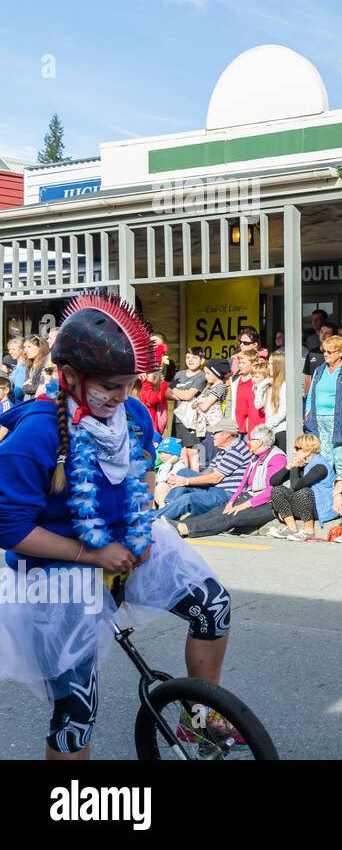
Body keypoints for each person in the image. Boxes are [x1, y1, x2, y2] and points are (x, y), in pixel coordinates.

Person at [0, 293, 235, 759]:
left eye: (126, 385)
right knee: (75, 715)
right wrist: (93, 555)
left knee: (214, 606)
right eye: (108, 386)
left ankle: (199, 718)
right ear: (68, 376)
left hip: (126, 546)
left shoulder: (133, 415)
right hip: (55, 572)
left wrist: (142, 526)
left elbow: (145, 472)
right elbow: (9, 528)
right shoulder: (36, 435)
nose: (119, 397)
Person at [174, 426, 287, 539]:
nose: (248, 442)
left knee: (232, 515)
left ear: (260, 442)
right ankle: (180, 526)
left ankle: (186, 529)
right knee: (218, 511)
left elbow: (271, 491)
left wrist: (243, 505)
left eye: (251, 440)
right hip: (251, 496)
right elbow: (243, 483)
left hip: (269, 503)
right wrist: (231, 502)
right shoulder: (254, 457)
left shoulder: (277, 458)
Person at [159, 417, 250, 520]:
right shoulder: (224, 450)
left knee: (187, 498)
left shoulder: (236, 451)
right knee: (183, 472)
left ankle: (154, 519)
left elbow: (215, 478)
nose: (212, 435)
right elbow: (209, 471)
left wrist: (186, 481)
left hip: (225, 495)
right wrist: (181, 480)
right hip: (215, 489)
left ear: (227, 435)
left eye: (215, 432)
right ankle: (170, 506)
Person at [266, 434, 338, 542]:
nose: (294, 452)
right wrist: (288, 466)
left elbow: (296, 486)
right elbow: (273, 482)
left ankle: (309, 531)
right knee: (277, 490)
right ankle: (292, 529)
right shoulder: (304, 464)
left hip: (321, 508)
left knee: (304, 492)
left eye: (297, 448)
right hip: (305, 506)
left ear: (308, 451)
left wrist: (295, 466)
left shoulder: (320, 466)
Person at [304, 334, 342, 473]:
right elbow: (312, 392)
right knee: (324, 457)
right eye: (324, 351)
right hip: (319, 419)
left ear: (341, 352)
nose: (325, 354)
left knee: (340, 455)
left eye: (329, 352)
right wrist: (307, 411)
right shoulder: (320, 370)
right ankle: (327, 489)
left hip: (337, 418)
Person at [167, 347, 208, 450]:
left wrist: (174, 390)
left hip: (191, 420)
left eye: (194, 357)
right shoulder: (179, 374)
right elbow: (166, 393)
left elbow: (188, 396)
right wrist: (182, 395)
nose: (190, 360)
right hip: (177, 419)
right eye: (188, 357)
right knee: (177, 450)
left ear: (202, 360)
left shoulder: (202, 376)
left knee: (191, 451)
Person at [257, 352, 288, 452]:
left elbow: (284, 410)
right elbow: (258, 405)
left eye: (272, 364)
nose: (269, 367)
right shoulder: (268, 384)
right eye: (268, 364)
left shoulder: (284, 385)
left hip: (281, 430)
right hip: (271, 431)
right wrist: (261, 386)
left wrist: (269, 424)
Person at [301, 320, 335, 396]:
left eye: (327, 333)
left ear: (333, 336)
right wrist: (307, 396)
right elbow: (307, 376)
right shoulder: (312, 353)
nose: (323, 335)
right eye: (321, 332)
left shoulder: (337, 354)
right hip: (314, 396)